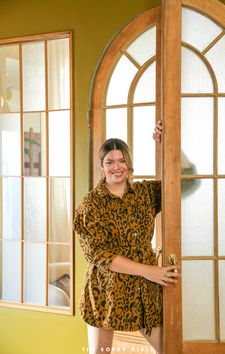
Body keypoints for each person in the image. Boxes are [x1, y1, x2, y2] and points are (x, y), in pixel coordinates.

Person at [73, 121, 180, 354]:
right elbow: (99, 255)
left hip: (145, 292)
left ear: (129, 163)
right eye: (109, 162)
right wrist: (151, 271)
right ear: (101, 166)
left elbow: (184, 180)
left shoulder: (145, 194)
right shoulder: (90, 205)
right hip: (106, 292)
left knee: (170, 349)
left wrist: (166, 143)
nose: (116, 167)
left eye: (122, 160)